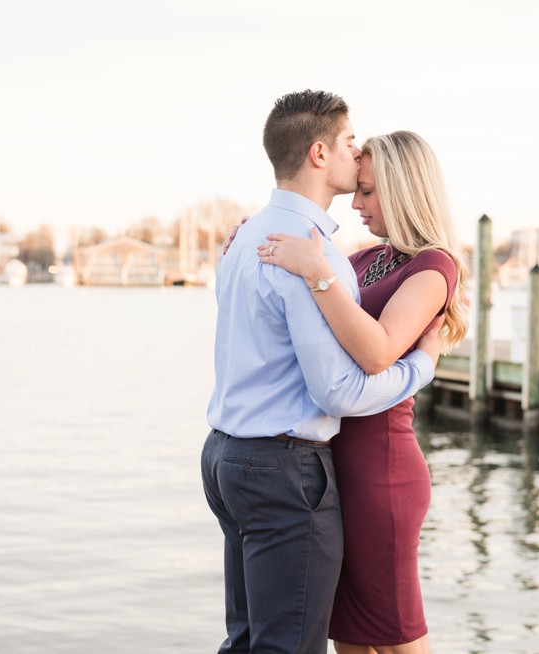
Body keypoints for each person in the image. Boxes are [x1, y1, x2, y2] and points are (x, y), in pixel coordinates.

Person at [201, 91, 444, 654]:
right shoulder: (316, 254)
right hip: (283, 467)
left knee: (250, 639)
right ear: (318, 153)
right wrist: (423, 368)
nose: (355, 154)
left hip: (228, 454)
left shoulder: (251, 240)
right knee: (287, 646)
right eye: (349, 144)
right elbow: (336, 389)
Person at [256, 130, 469, 654]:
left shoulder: (433, 266)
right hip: (330, 469)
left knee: (397, 635)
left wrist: (316, 274)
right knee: (348, 633)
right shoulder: (364, 260)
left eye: (368, 191)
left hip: (382, 472)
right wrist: (259, 236)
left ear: (403, 191)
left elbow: (377, 353)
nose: (356, 203)